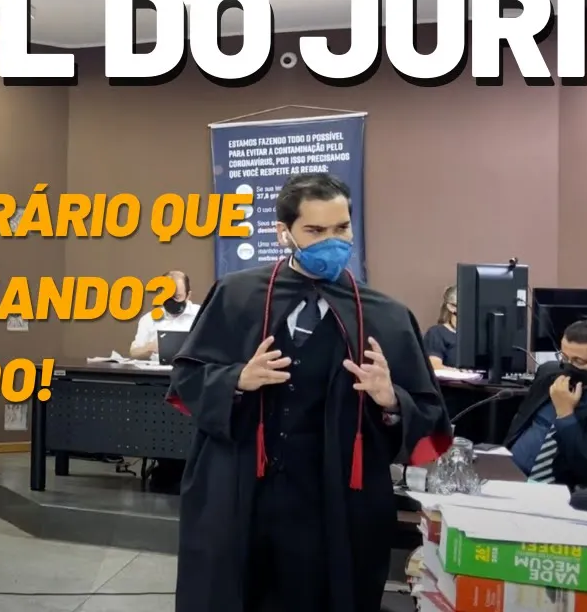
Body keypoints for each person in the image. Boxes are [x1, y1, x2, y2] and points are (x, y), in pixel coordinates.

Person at [166, 172, 452, 612]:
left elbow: (430, 416)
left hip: (334, 502)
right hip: (242, 492)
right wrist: (236, 379)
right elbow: (186, 381)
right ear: (284, 233)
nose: (331, 241)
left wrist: (392, 400)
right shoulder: (236, 296)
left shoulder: (387, 316)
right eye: (315, 231)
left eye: (341, 228)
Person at [504, 320, 587, 488]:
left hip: (561, 492)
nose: (567, 367)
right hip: (507, 474)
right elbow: (521, 424)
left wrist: (565, 415)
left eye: (578, 361)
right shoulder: (548, 374)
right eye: (564, 357)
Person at [129, 270, 200, 361]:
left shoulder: (202, 315)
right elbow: (134, 353)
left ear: (188, 295)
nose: (172, 301)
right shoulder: (149, 319)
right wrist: (149, 348)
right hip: (157, 369)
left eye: (177, 297)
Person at [423, 285, 459, 370]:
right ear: (452, 307)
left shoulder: (477, 336)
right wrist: (461, 373)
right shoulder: (436, 333)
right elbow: (435, 367)